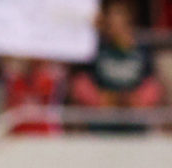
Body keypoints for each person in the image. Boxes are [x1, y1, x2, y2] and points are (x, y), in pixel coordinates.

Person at [69, 0, 164, 132]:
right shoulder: (95, 49)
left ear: (129, 19)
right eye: (110, 16)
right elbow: (80, 84)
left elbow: (154, 87)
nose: (114, 21)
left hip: (135, 124)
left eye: (118, 15)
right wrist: (102, 99)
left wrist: (135, 101)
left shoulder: (142, 51)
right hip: (100, 124)